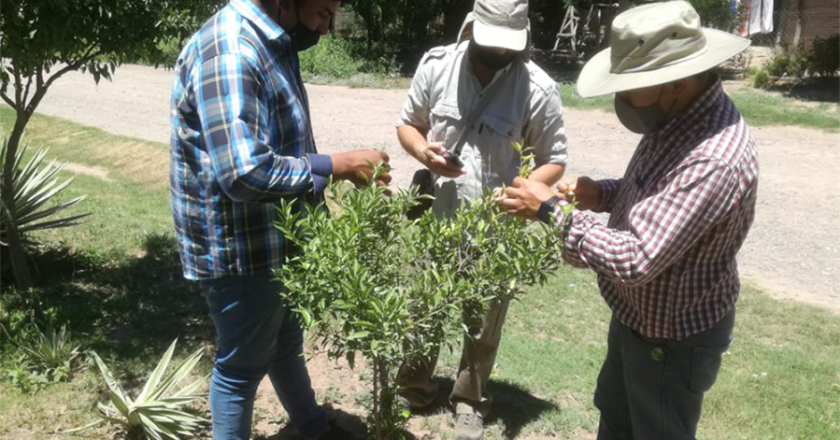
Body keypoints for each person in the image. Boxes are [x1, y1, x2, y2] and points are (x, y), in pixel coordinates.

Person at [499, 2, 758, 439]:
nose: (622, 99)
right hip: (640, 322)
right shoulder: (678, 117)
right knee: (616, 422)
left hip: (671, 341)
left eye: (631, 86)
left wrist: (549, 210)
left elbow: (636, 259)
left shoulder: (714, 159)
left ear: (674, 81)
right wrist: (603, 194)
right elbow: (657, 196)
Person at [169, 0, 389, 438]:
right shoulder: (231, 51)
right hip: (240, 247)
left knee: (285, 341)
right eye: (324, 13)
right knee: (240, 369)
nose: (327, 28)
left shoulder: (272, 38)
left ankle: (312, 427)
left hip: (273, 236)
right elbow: (243, 171)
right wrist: (335, 165)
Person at [395, 0, 568, 438]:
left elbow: (554, 161)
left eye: (510, 45)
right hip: (436, 215)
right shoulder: (436, 66)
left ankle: (469, 400)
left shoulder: (539, 89)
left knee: (487, 316)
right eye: (492, 43)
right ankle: (413, 386)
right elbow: (408, 125)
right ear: (471, 27)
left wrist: (518, 193)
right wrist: (422, 152)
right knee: (423, 305)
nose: (500, 53)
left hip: (497, 228)